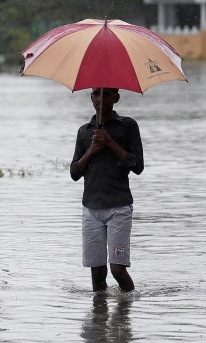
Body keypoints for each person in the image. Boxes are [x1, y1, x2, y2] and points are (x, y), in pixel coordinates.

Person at [70, 87, 144, 292]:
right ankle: (99, 321)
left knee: (118, 269)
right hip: (91, 208)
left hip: (118, 207)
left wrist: (110, 143)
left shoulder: (128, 126)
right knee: (97, 273)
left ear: (116, 98)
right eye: (96, 94)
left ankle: (126, 314)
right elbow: (75, 172)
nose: (101, 99)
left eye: (107, 94)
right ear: (91, 97)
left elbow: (137, 166)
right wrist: (92, 150)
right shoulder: (85, 132)